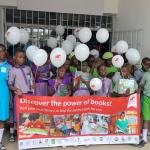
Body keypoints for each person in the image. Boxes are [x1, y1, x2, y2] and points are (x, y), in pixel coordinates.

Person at [8, 48, 34, 141]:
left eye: (23, 57)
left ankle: (28, 135)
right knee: (19, 116)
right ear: (15, 58)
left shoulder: (28, 68)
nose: (22, 59)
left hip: (29, 95)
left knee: (28, 116)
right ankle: (19, 136)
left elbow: (31, 80)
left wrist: (32, 85)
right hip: (19, 96)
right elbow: (10, 84)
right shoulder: (12, 70)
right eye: (19, 57)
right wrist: (16, 89)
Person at [0, 44, 11, 150]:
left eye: (3, 51)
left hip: (3, 95)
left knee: (2, 119)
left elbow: (10, 83)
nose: (1, 53)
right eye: (0, 51)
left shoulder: (8, 66)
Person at [138, 57, 150, 147]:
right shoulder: (146, 74)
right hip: (146, 98)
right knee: (146, 118)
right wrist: (137, 93)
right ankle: (144, 139)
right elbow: (141, 85)